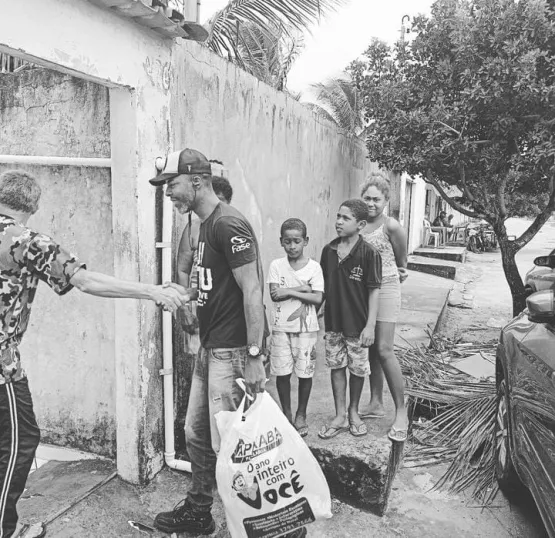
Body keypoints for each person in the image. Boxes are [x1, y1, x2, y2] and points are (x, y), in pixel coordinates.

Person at [0, 170, 188, 538]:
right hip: (2, 367)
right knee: (21, 444)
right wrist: (152, 291)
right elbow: (86, 281)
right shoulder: (26, 241)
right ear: (33, 206)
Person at [151, 149, 305, 538]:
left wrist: (254, 355)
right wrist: (182, 297)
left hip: (234, 352)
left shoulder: (228, 224)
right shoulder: (201, 225)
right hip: (211, 347)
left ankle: (278, 526)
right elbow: (210, 286)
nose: (168, 192)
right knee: (196, 434)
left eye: (172, 184)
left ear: (197, 181)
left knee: (239, 447)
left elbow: (253, 291)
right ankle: (200, 511)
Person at [318, 199, 382, 440]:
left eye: (345, 218)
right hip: (334, 322)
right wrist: (316, 313)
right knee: (336, 367)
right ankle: (339, 414)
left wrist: (370, 326)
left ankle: (354, 411)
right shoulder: (329, 251)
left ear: (361, 224)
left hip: (358, 325)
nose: (338, 222)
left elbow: (374, 290)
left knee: (357, 370)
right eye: (338, 216)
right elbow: (322, 286)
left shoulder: (369, 254)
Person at [360, 173, 409, 442]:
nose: (371, 203)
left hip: (388, 286)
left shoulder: (391, 226)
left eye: (376, 199)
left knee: (384, 349)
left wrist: (400, 272)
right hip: (364, 292)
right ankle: (376, 402)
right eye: (366, 198)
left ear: (386, 200)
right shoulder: (358, 224)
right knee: (370, 349)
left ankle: (401, 411)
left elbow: (402, 261)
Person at [267, 218, 324, 438]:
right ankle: (287, 415)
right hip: (281, 328)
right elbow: (274, 294)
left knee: (305, 373)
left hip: (306, 329)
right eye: (287, 241)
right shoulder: (276, 265)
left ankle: (301, 413)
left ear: (305, 241)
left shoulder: (314, 267)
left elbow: (318, 299)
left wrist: (290, 291)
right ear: (281, 241)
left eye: (297, 241)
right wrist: (303, 288)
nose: (292, 246)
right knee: (282, 374)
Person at [176, 165, 233, 333]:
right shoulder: (193, 228)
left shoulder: (233, 228)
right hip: (198, 304)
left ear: (228, 203)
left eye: (221, 201)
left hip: (227, 306)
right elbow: (182, 270)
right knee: (199, 355)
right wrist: (184, 308)